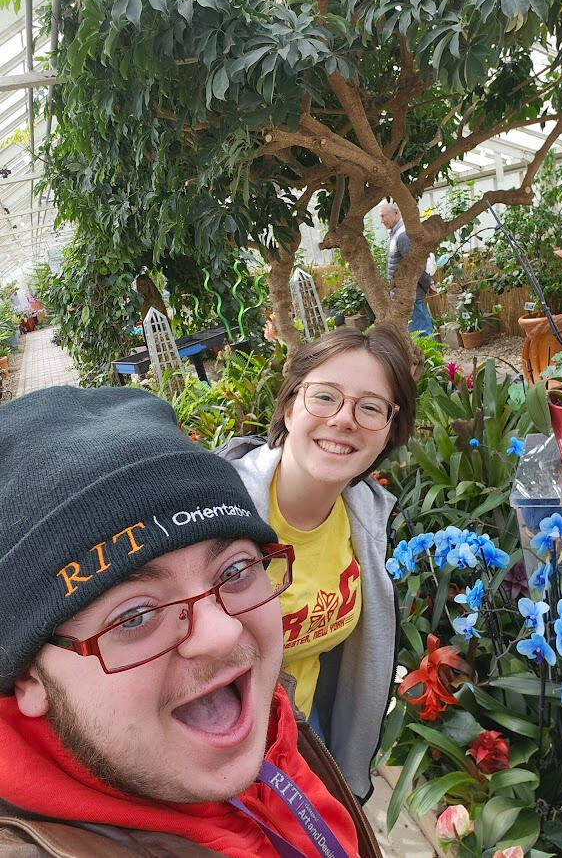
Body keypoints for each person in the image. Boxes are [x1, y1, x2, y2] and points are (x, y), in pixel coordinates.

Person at [0, 386, 381, 857]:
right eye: (136, 615)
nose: (222, 633)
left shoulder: (272, 718)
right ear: (28, 677)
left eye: (236, 570)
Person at [217, 325, 417, 800]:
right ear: (289, 406)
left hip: (300, 742)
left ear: (389, 431)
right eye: (324, 397)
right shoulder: (216, 518)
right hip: (216, 761)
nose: (345, 419)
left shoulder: (365, 518)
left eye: (371, 407)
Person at [378, 199, 434, 335]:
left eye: (383, 215)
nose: (381, 220)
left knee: (422, 333)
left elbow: (415, 266)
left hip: (411, 296)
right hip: (403, 296)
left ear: (396, 213)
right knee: (414, 333)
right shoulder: (395, 233)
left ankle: (428, 357)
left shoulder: (403, 235)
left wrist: (429, 283)